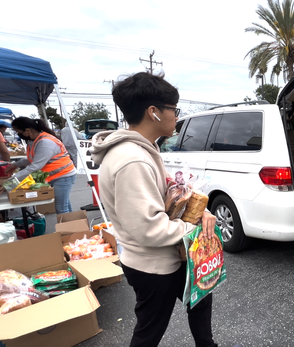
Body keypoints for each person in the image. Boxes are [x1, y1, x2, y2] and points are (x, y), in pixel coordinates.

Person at [90, 72, 225, 347]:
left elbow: (166, 192)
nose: (176, 115)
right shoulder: (132, 160)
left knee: (200, 300)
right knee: (150, 331)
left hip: (169, 257)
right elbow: (148, 227)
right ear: (153, 112)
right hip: (152, 265)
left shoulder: (144, 149)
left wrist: (202, 212)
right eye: (174, 109)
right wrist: (195, 228)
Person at [6, 117, 76, 214]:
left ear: (27, 130)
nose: (18, 134)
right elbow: (33, 159)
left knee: (61, 208)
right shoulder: (35, 141)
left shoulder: (45, 142)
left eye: (18, 132)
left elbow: (35, 166)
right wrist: (16, 165)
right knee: (65, 205)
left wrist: (10, 183)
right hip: (54, 175)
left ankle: (69, 228)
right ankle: (74, 225)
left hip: (63, 176)